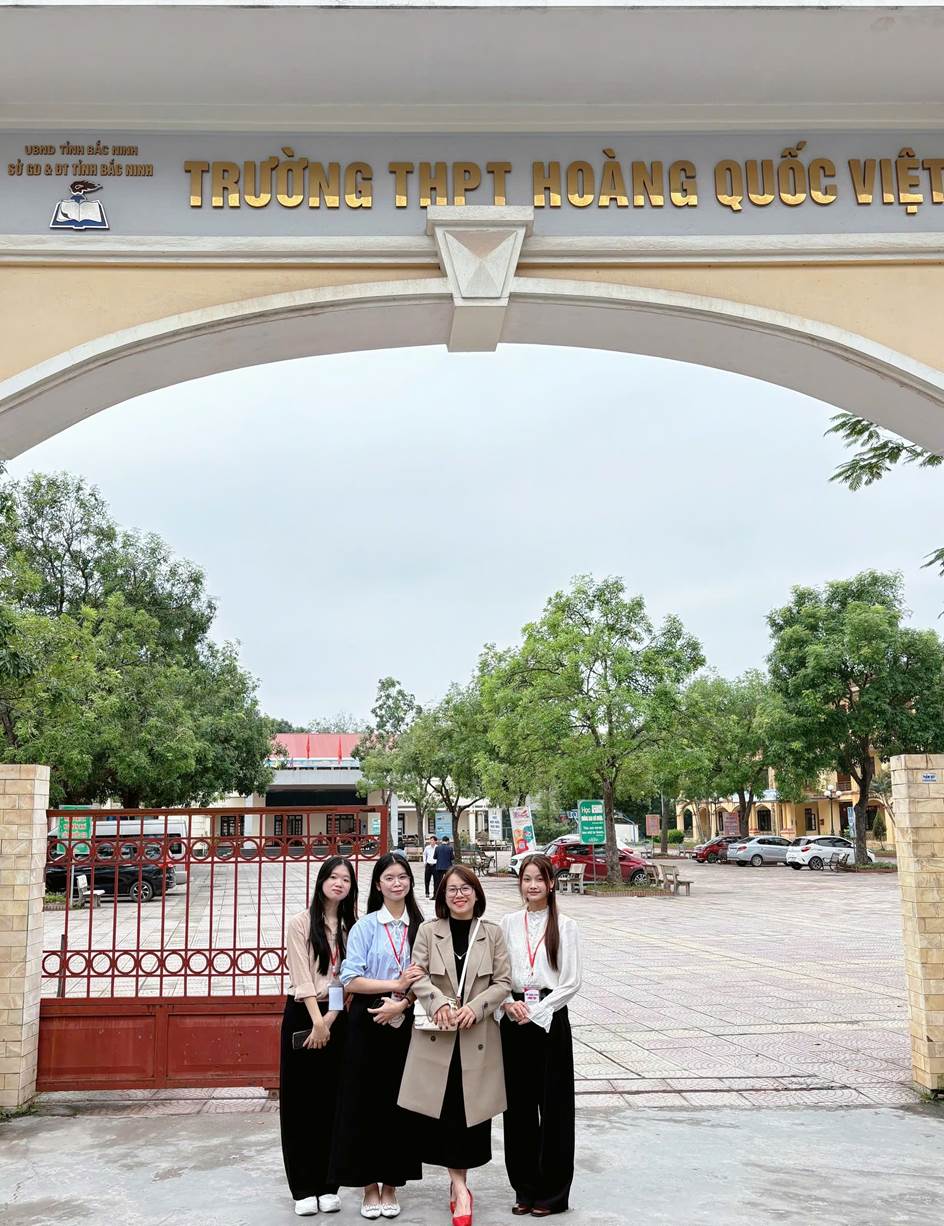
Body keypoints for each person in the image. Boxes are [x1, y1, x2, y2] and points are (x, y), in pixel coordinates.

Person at [399, 864, 512, 1226]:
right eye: (452, 889)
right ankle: (460, 1189)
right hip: (440, 1035)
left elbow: (503, 982)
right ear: (443, 897)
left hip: (476, 1037)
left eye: (465, 888)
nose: (459, 895)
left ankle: (459, 1185)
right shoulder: (428, 931)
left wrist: (476, 1009)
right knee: (445, 1115)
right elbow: (416, 974)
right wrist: (438, 1002)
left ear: (477, 894)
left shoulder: (492, 933)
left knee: (469, 1117)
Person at [332, 854, 425, 1219]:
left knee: (399, 1105)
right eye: (389, 877)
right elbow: (350, 979)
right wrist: (394, 984)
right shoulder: (366, 926)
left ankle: (391, 1184)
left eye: (403, 877)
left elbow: (430, 976)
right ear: (377, 885)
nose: (397, 883)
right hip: (367, 1019)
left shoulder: (421, 926)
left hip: (404, 1018)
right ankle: (369, 1185)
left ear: (410, 882)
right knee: (365, 1103)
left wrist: (402, 1002)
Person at [499, 853, 582, 1218]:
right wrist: (507, 1003)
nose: (532, 885)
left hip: (550, 1020)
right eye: (526, 879)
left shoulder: (566, 926)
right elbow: (498, 973)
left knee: (554, 1108)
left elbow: (571, 981)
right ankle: (524, 1188)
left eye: (539, 879)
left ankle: (552, 1194)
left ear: (551, 884)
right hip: (513, 1020)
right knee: (517, 1110)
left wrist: (538, 1012)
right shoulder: (508, 923)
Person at [280, 856, 358, 1217]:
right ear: (322, 880)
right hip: (303, 1014)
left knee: (332, 1101)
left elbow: (347, 977)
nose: (339, 883)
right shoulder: (300, 923)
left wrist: (330, 1018)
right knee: (300, 1103)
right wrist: (317, 1021)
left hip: (335, 1016)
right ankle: (302, 1187)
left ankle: (328, 1185)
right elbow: (302, 976)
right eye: (333, 877)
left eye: (346, 879)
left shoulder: (350, 926)